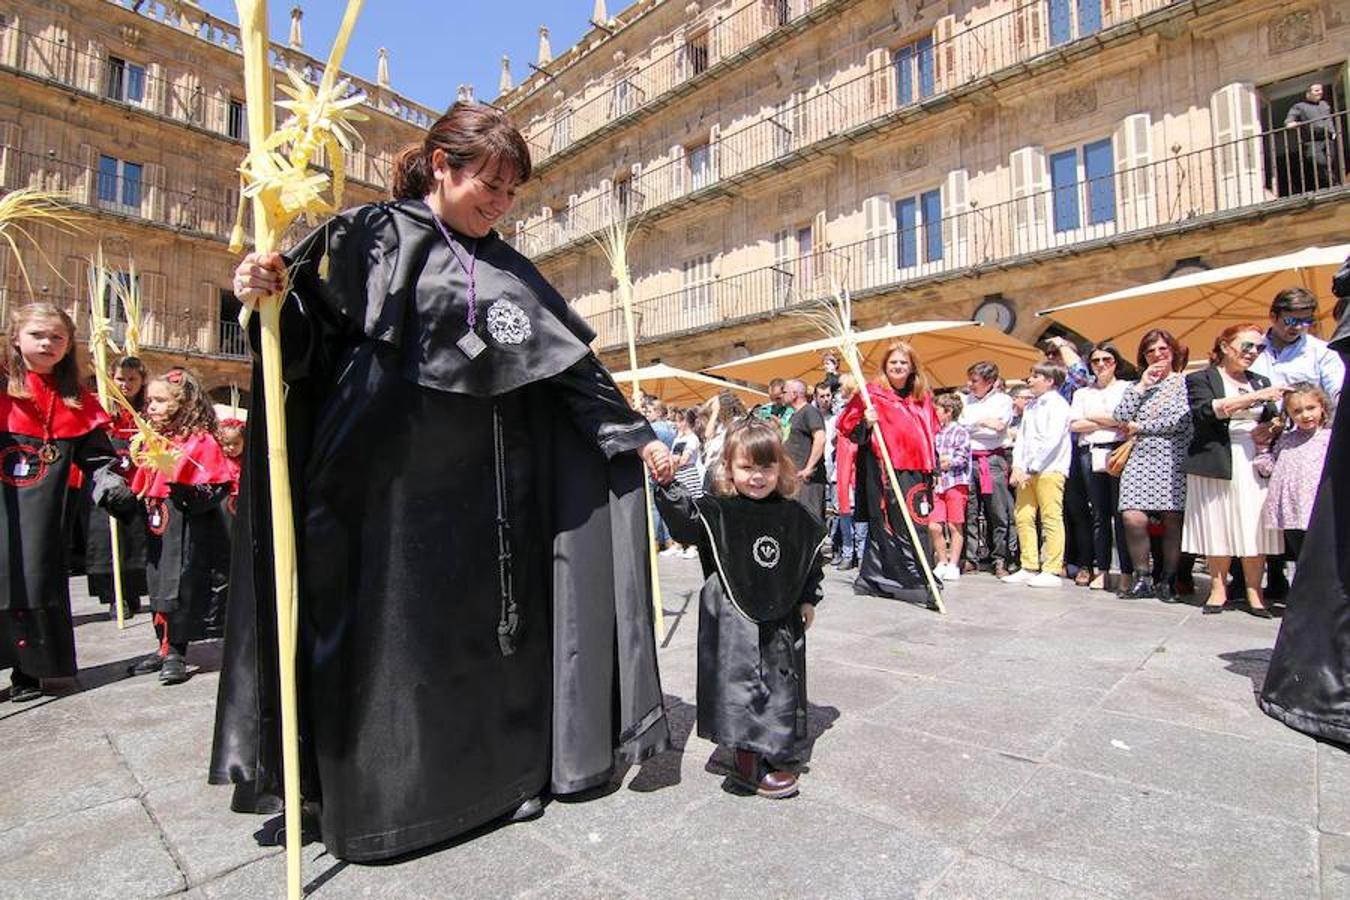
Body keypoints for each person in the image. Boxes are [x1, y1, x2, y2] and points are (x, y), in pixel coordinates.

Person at [212, 102, 672, 861]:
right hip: (378, 489)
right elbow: (303, 339)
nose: (498, 201)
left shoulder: (510, 268)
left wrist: (632, 436)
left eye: (511, 190)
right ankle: (382, 803)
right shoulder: (366, 235)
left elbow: (569, 369)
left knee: (496, 630)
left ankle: (503, 778)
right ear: (440, 167)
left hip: (492, 493)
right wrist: (262, 290)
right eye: (487, 183)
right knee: (383, 638)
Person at [654, 418, 823, 799]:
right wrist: (667, 486)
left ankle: (774, 744)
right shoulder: (718, 511)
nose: (758, 477)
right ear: (729, 468)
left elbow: (809, 558)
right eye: (747, 467)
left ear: (780, 467)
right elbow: (685, 525)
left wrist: (809, 596)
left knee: (779, 678)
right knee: (743, 680)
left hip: (780, 610)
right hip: (734, 614)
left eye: (766, 467)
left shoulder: (792, 515)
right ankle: (747, 761)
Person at [0, 303, 131, 701]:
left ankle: (31, 671)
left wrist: (109, 483)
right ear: (15, 339)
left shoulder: (76, 400)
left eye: (58, 337)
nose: (48, 343)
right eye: (38, 334)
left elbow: (98, 456)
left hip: (45, 515)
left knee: (38, 586)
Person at [1259, 267, 1350, 747]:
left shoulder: (1322, 354)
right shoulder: (1260, 350)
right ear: (1275, 318)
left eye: (1306, 320)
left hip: (1314, 449)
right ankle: (1276, 585)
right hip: (1275, 446)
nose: (1300, 327)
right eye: (1291, 319)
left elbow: (1336, 395)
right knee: (1279, 527)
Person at [125, 368, 233, 684]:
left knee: (179, 584)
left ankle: (177, 650)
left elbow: (214, 483)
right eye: (149, 401)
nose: (152, 407)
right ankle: (162, 645)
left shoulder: (200, 439)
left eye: (160, 400)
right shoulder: (153, 438)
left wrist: (187, 490)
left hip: (185, 521)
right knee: (157, 582)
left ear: (183, 403)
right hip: (157, 516)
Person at [1181, 324, 1286, 616]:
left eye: (1259, 348)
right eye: (1247, 346)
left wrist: (1272, 426)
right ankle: (1218, 589)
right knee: (1217, 523)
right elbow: (1204, 412)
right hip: (1215, 458)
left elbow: (1273, 418)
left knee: (1254, 524)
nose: (1253, 353)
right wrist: (1255, 397)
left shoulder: (1260, 380)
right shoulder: (1201, 378)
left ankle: (1255, 591)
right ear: (1226, 346)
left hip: (1253, 459)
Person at [837, 341, 939, 605]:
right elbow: (847, 426)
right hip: (887, 471)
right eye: (893, 362)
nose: (898, 366)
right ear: (885, 365)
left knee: (918, 522)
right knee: (895, 523)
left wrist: (935, 464)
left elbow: (930, 431)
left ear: (912, 366)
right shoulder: (872, 393)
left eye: (903, 362)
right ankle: (902, 579)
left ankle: (918, 575)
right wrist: (866, 422)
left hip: (919, 471)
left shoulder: (922, 395)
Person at [1114, 329, 1192, 600]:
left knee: (1172, 518)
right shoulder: (1136, 386)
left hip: (1172, 456)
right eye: (1150, 351)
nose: (1156, 355)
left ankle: (1168, 579)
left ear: (1173, 351)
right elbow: (1120, 416)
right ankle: (1142, 577)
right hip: (1140, 457)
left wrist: (1140, 426)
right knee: (1132, 516)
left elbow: (1180, 422)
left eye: (1162, 349)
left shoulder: (1184, 383)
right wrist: (1142, 385)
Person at [85, 356, 150, 620]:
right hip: (109, 482)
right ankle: (115, 596)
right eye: (121, 379)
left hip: (137, 483)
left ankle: (132, 591)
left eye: (132, 379)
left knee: (135, 541)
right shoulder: (100, 407)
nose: (126, 384)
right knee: (107, 541)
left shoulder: (146, 410)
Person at [1068, 343, 1135, 590]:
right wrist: (1109, 419)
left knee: (1122, 514)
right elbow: (1074, 425)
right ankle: (1103, 569)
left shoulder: (1127, 388)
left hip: (1118, 450)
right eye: (1095, 361)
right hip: (1090, 453)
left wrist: (1094, 417)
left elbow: (1126, 420)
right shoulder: (1082, 393)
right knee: (1099, 515)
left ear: (1116, 362)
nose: (1101, 364)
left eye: (1107, 359)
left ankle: (1127, 571)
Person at [1003, 364, 1073, 588]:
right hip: (1027, 471)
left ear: (1050, 380)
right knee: (1023, 516)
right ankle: (1029, 564)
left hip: (1050, 469)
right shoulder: (1032, 406)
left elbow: (1051, 440)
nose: (1030, 380)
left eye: (1035, 376)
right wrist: (1017, 465)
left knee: (1051, 516)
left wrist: (1031, 467)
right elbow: (1022, 439)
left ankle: (1052, 568)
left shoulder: (1059, 405)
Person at [1256, 383, 1332, 562]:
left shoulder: (1328, 438)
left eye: (1311, 408)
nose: (1305, 415)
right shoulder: (1286, 439)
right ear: (1288, 413)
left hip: (1317, 511)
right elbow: (1269, 469)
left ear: (1322, 407)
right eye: (1297, 411)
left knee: (1321, 559)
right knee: (1300, 558)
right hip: (1290, 512)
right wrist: (1262, 447)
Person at [958, 362, 1015, 576]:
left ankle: (1000, 557)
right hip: (968, 459)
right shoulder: (966, 401)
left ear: (989, 382)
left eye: (975, 381)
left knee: (997, 511)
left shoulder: (1003, 400)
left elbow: (998, 429)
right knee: (970, 510)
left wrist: (977, 425)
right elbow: (962, 426)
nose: (970, 385)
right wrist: (983, 422)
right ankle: (970, 557)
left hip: (992, 460)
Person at [929, 393, 971, 582]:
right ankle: (942, 561)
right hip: (937, 485)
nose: (934, 412)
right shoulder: (934, 432)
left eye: (937, 409)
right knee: (934, 525)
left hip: (955, 482)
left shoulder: (960, 431)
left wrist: (943, 463)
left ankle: (953, 563)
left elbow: (961, 458)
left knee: (955, 524)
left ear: (948, 411)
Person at [831, 375, 867, 569]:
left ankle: (861, 554)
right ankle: (847, 552)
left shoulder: (861, 408)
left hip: (858, 464)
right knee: (844, 511)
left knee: (859, 511)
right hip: (843, 463)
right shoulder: (845, 410)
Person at [783, 378, 827, 522]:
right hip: (796, 478)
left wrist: (809, 468)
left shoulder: (809, 412)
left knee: (810, 519)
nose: (782, 395)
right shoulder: (795, 415)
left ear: (795, 394)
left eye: (785, 392)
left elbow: (820, 438)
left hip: (808, 480)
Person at [1284, 83, 1340, 193]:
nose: (1320, 92)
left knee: (1331, 162)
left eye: (1321, 90)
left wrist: (1333, 132)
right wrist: (1293, 124)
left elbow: (1328, 119)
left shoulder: (1324, 104)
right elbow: (1289, 121)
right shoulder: (1299, 106)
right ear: (1308, 94)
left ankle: (1333, 184)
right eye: (1316, 90)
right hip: (1312, 141)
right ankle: (1331, 184)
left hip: (1328, 138)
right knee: (1319, 161)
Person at [667, 408, 703, 559]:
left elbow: (684, 460)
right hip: (678, 476)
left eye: (679, 420)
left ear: (686, 422)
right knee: (678, 511)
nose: (676, 424)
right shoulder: (677, 438)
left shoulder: (693, 438)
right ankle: (678, 544)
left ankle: (694, 545)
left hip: (689, 476)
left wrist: (674, 462)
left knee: (690, 509)